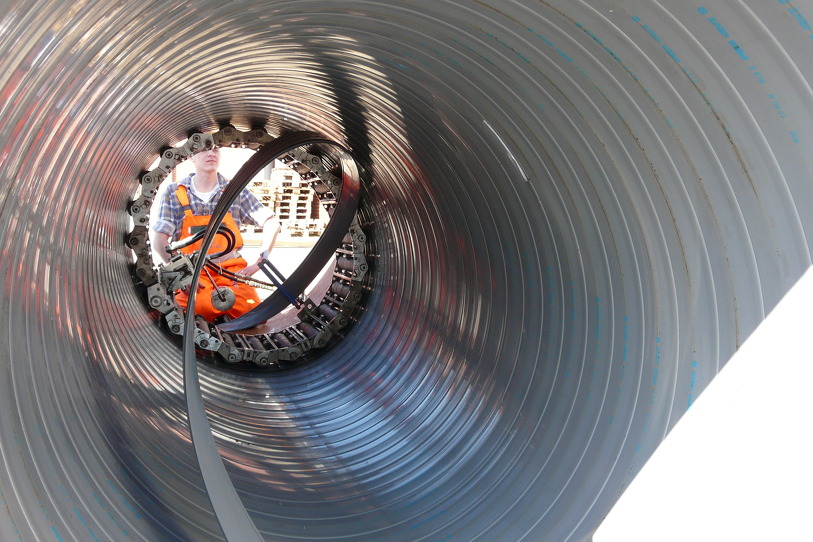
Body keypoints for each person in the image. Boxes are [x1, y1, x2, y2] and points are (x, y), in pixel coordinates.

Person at [149, 146, 280, 321]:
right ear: (191, 157)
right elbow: (159, 239)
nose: (211, 153)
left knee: (253, 314)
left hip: (231, 272)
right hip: (194, 273)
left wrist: (260, 261)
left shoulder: (235, 190)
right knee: (196, 312)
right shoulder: (175, 192)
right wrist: (182, 275)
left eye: (215, 149)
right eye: (204, 149)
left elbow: (271, 222)